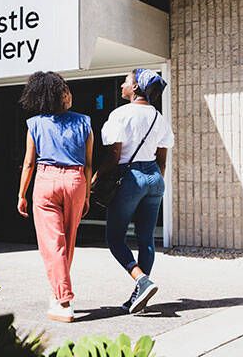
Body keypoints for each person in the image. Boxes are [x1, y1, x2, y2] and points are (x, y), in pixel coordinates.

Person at [94, 68, 174, 314]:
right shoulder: (159, 117)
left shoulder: (121, 114)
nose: (121, 86)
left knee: (115, 238)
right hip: (154, 178)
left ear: (136, 87)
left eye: (126, 82)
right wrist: (154, 182)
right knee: (146, 239)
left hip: (131, 178)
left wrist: (96, 178)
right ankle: (140, 296)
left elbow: (114, 154)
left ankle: (142, 281)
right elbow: (162, 158)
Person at [17, 71, 93, 323]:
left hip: (46, 181)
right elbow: (89, 163)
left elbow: (29, 163)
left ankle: (64, 301)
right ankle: (58, 292)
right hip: (76, 180)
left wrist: (21, 194)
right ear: (56, 96)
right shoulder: (84, 122)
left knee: (53, 244)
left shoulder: (35, 124)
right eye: (65, 91)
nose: (69, 94)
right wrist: (86, 196)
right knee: (67, 242)